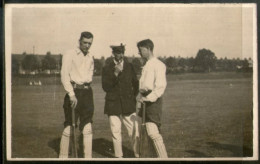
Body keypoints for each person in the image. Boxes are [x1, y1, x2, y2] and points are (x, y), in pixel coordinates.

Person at [59, 31, 95, 158]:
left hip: (87, 94)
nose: (87, 45)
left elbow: (90, 74)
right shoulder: (70, 54)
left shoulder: (91, 56)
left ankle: (88, 157)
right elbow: (64, 75)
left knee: (88, 126)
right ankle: (62, 157)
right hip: (73, 93)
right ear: (79, 41)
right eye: (85, 42)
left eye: (89, 43)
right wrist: (71, 94)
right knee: (69, 125)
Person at [102, 43, 140, 158]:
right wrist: (115, 73)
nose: (119, 55)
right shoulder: (107, 68)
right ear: (113, 53)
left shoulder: (129, 66)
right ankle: (119, 157)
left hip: (128, 104)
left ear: (124, 53)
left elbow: (136, 84)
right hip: (113, 104)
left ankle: (138, 155)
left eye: (121, 52)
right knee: (115, 132)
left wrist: (131, 97)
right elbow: (105, 87)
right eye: (117, 52)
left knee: (134, 131)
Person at [136, 39, 168, 158]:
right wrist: (140, 98)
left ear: (149, 49)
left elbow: (160, 87)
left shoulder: (159, 65)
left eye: (141, 50)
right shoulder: (146, 65)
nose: (139, 53)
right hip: (144, 100)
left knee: (153, 132)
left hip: (153, 101)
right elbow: (143, 86)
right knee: (147, 133)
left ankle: (164, 158)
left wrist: (148, 99)